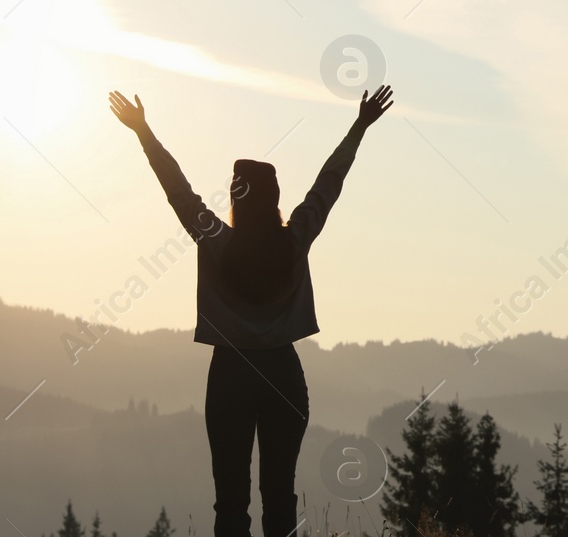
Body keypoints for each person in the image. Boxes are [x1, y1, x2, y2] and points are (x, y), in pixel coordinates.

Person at [108, 85, 395, 537]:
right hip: (284, 375)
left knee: (231, 505)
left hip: (230, 375)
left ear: (236, 199)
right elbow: (328, 184)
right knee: (280, 497)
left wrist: (143, 131)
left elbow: (177, 190)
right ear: (275, 199)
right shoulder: (296, 238)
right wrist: (359, 125)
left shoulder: (216, 241)